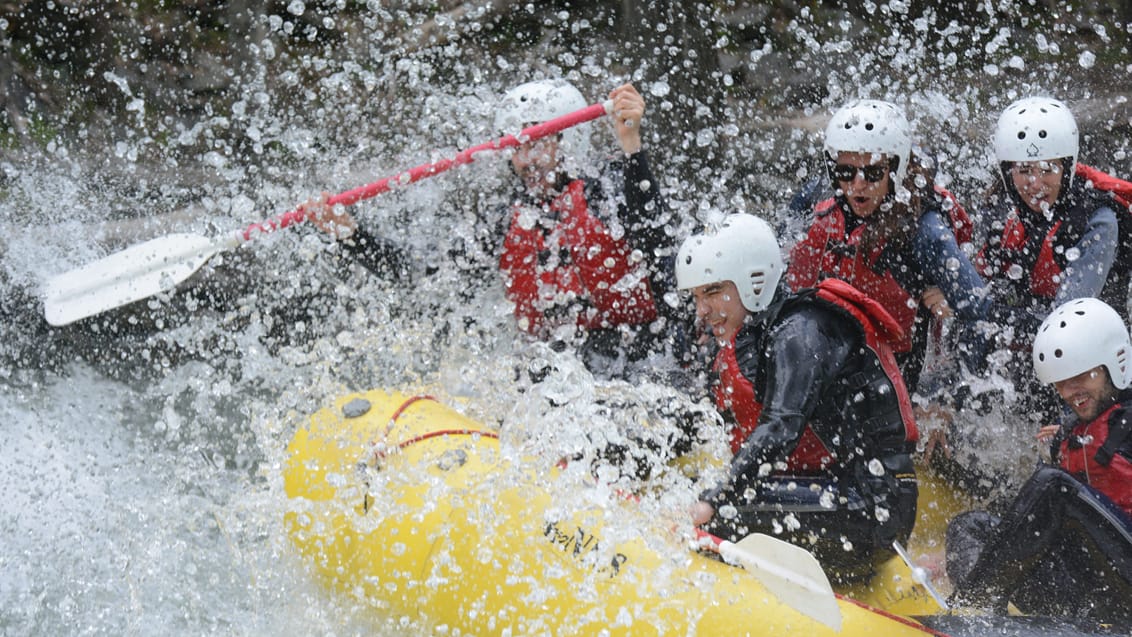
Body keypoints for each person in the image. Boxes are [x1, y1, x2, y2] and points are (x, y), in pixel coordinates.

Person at [302, 80, 677, 378]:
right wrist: (350, 234)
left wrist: (632, 144)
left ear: (570, 139)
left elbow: (657, 238)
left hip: (643, 358)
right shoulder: (506, 220)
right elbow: (422, 274)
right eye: (518, 147)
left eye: (538, 142)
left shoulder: (610, 188)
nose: (526, 159)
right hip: (558, 370)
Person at [678, 213, 919, 583]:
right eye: (696, 297)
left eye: (712, 291)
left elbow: (781, 427)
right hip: (846, 495)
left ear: (753, 281)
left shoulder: (802, 331)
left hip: (875, 509)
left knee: (721, 508)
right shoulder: (764, 331)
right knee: (702, 491)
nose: (702, 310)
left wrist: (712, 498)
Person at [786, 99, 990, 394]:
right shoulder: (814, 203)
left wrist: (946, 400)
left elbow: (980, 314)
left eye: (872, 174)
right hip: (833, 353)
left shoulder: (926, 231)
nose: (857, 185)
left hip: (899, 370)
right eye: (845, 172)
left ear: (897, 170)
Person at [947, 298, 1132, 620]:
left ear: (1114, 364)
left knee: (1054, 485)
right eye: (1061, 381)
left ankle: (973, 604)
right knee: (970, 527)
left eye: (1081, 376)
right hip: (1088, 595)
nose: (1071, 390)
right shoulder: (1074, 431)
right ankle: (982, 619)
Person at [974, 96, 1129, 419]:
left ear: (1067, 167)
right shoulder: (999, 210)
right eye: (1024, 170)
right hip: (1034, 329)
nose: (1035, 184)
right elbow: (981, 295)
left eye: (1048, 170)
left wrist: (994, 313)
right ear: (1007, 172)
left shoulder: (1098, 218)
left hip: (1098, 350)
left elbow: (1068, 323)